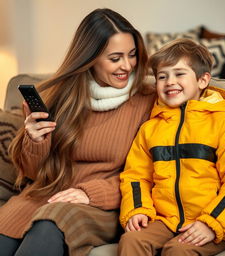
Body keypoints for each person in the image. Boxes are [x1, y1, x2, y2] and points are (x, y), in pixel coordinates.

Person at [0, 8, 155, 256]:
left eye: (132, 55)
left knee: (52, 221)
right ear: (89, 58)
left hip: (103, 205)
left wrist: (89, 193)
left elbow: (151, 174)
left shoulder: (149, 101)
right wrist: (34, 141)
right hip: (45, 196)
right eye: (115, 58)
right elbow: (32, 173)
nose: (127, 66)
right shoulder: (58, 96)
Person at [118, 38, 225, 256]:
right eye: (162, 76)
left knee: (178, 251)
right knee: (131, 240)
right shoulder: (150, 129)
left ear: (203, 80)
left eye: (179, 74)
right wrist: (137, 210)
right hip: (164, 219)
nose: (169, 81)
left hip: (212, 221)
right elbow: (136, 177)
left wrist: (212, 223)